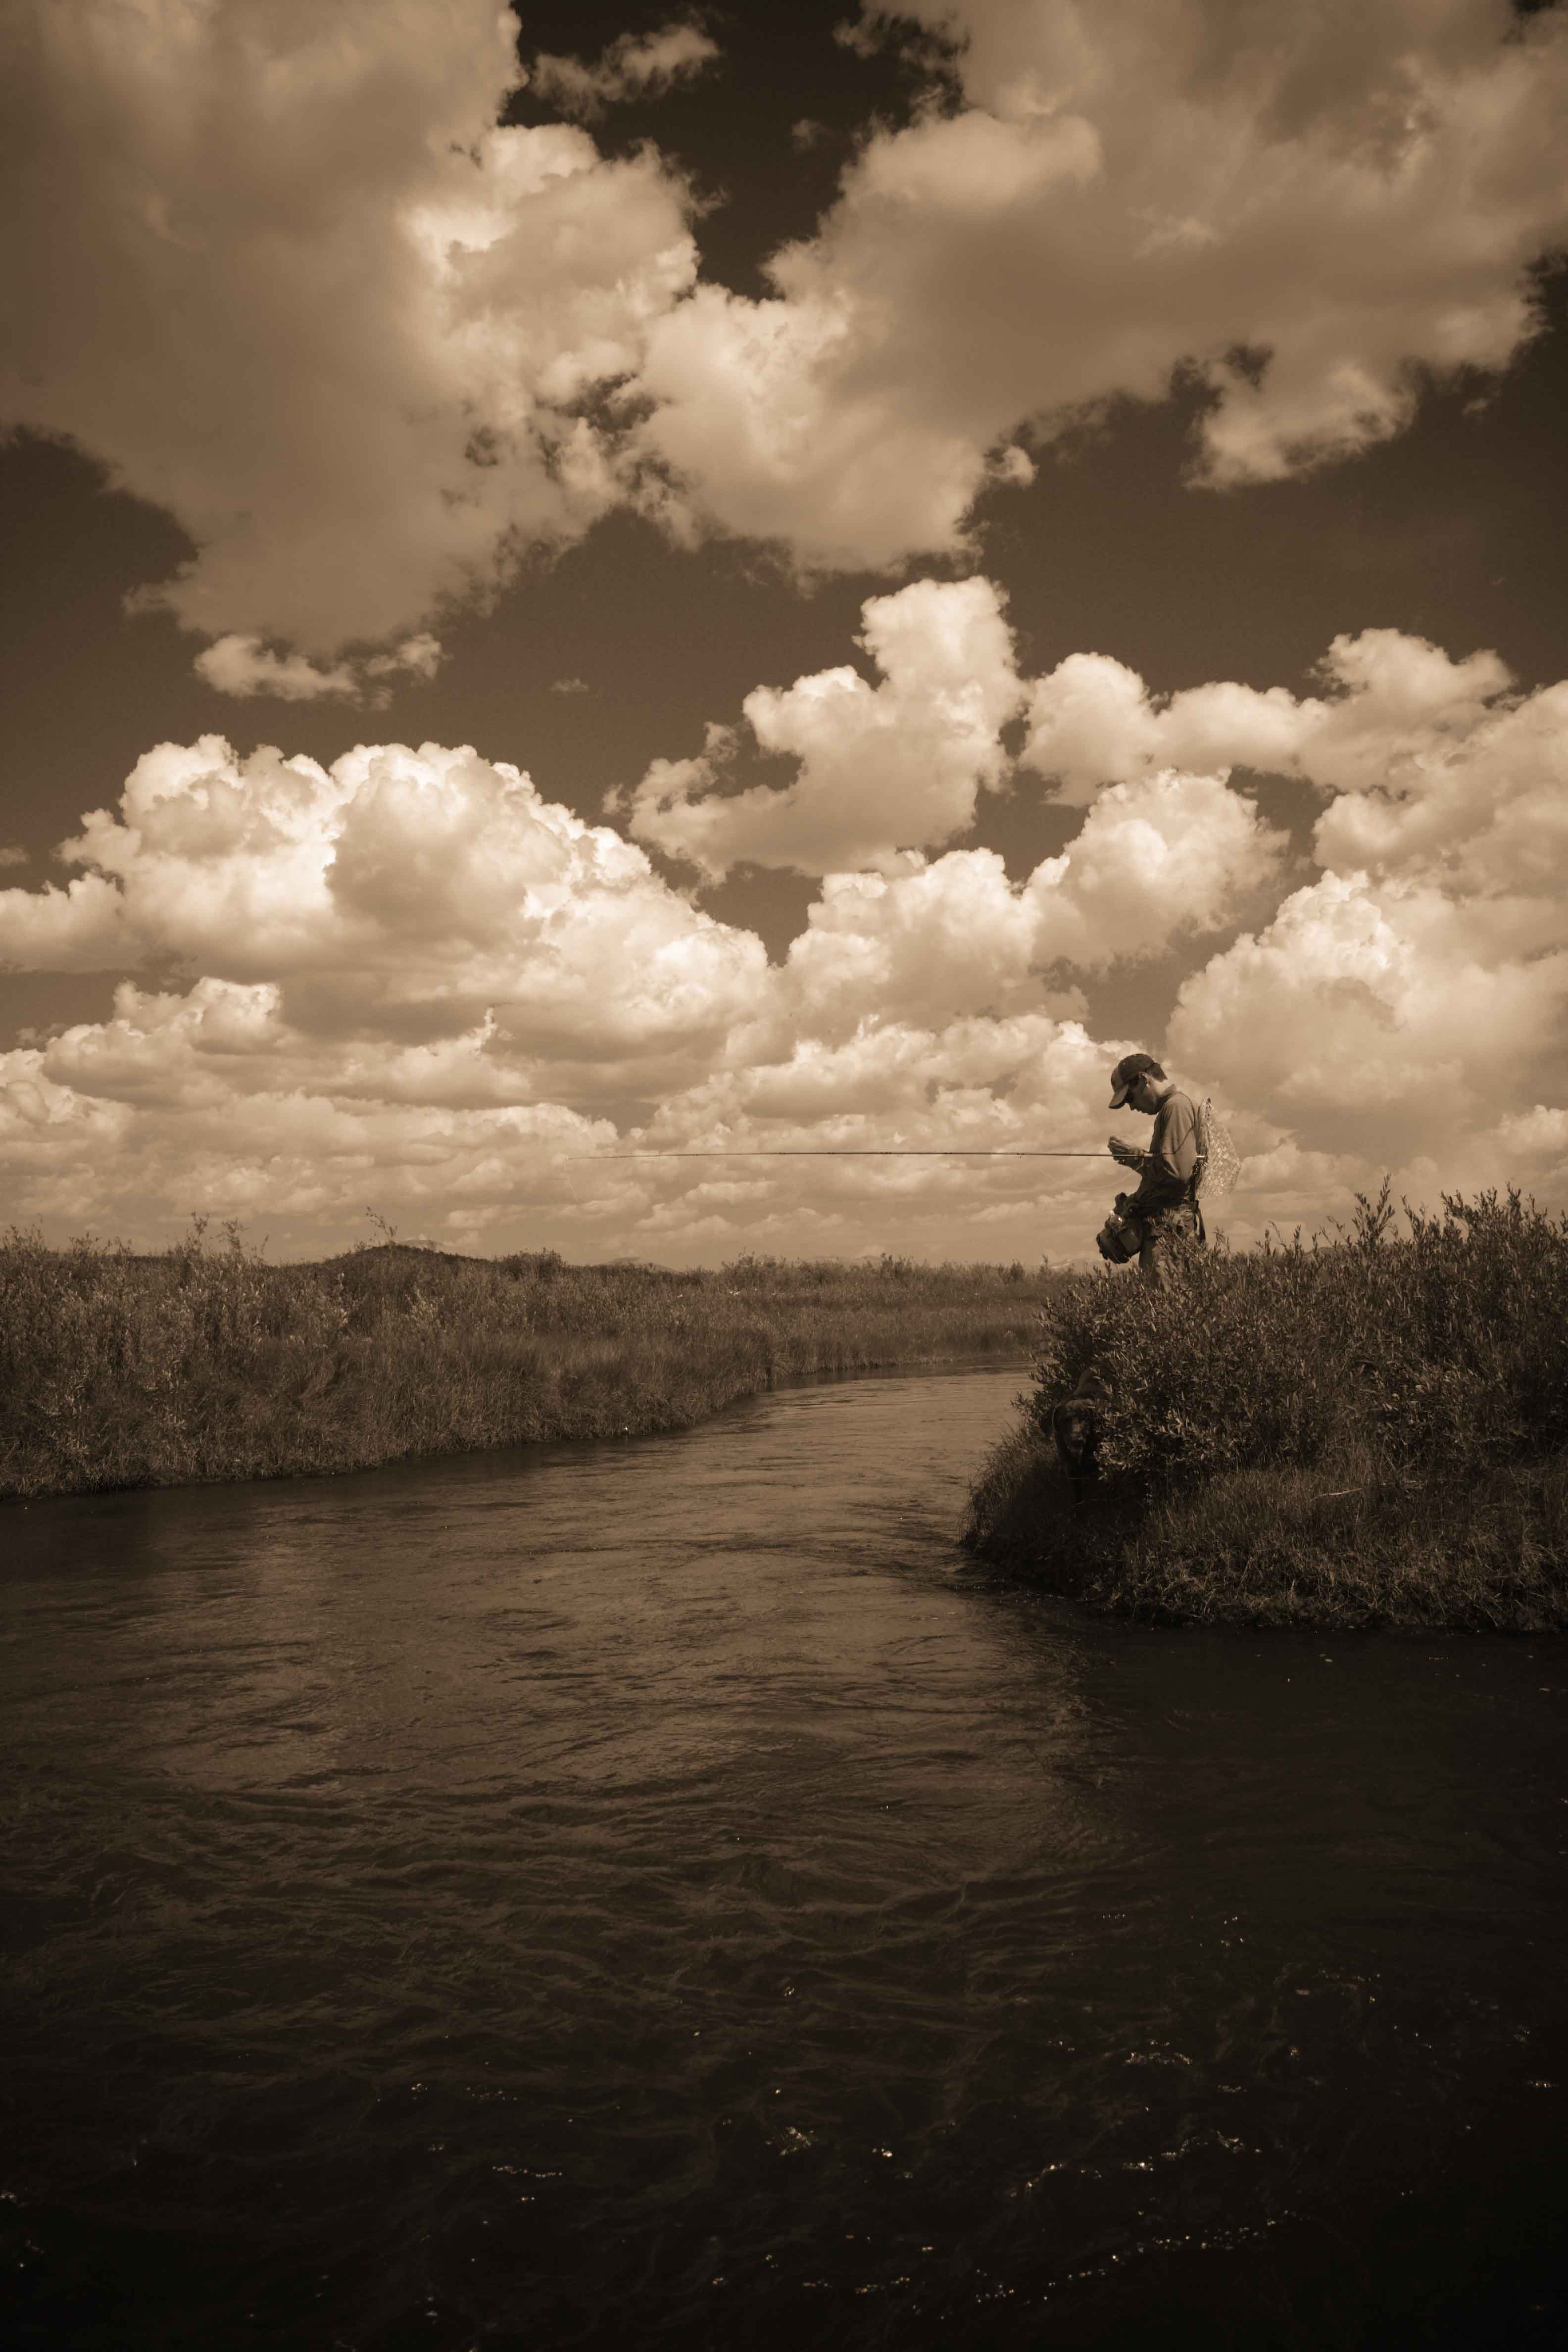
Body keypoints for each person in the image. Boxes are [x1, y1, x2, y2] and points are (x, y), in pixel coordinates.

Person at [1105, 1052, 1204, 1291]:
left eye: (1130, 1098)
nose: (1131, 1108)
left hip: (1169, 1232)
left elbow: (1177, 1174)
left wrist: (1135, 1157)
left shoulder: (1176, 1107)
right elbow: (1168, 1175)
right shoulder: (1171, 1109)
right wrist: (1135, 1203)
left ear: (1143, 1080)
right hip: (1165, 1230)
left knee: (1165, 1314)